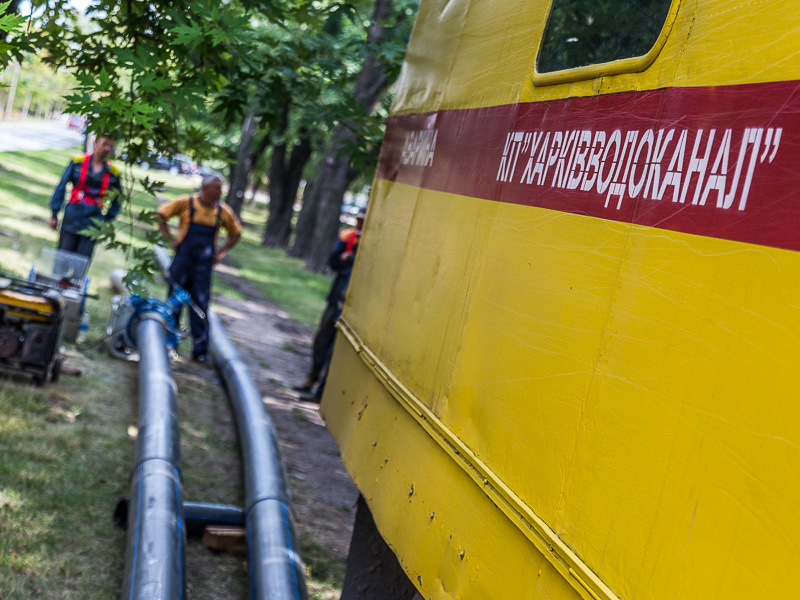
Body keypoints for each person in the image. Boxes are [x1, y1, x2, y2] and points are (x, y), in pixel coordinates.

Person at [156, 174, 242, 363]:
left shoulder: (223, 212)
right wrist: (170, 239)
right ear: (205, 188)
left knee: (200, 306)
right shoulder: (187, 203)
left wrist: (221, 252)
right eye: (217, 188)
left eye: (221, 188)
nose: (220, 192)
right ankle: (169, 344)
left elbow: (236, 233)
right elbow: (161, 214)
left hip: (203, 267)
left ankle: (200, 351)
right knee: (174, 302)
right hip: (182, 262)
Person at [295, 209, 365, 401]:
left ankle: (322, 392)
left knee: (336, 350)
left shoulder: (372, 243)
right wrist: (349, 262)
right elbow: (334, 260)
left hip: (354, 301)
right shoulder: (348, 236)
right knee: (322, 340)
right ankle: (311, 379)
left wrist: (350, 259)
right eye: (358, 219)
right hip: (337, 295)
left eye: (363, 220)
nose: (359, 224)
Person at [50, 134, 122, 259]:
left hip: (94, 219)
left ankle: (77, 279)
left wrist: (107, 219)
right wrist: (54, 213)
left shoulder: (113, 172)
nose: (107, 149)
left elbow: (118, 199)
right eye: (104, 144)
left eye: (110, 146)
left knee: (82, 259)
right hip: (73, 214)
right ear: (95, 143)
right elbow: (61, 186)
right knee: (63, 255)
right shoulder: (77, 163)